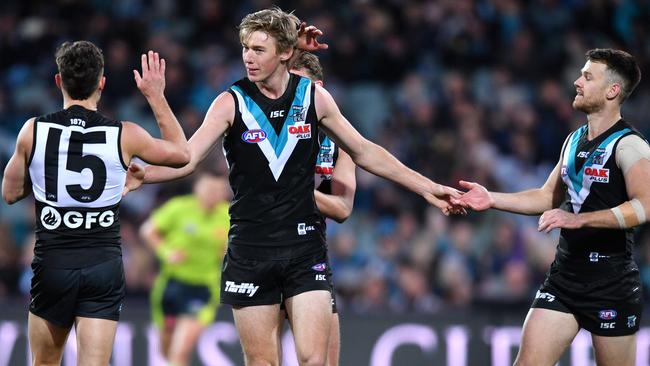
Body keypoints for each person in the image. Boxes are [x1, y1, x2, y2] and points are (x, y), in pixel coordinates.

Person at [123, 7, 462, 366]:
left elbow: (363, 151)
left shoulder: (313, 98)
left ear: (285, 54)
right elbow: (187, 157)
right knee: (262, 362)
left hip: (304, 249)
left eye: (258, 50)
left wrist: (426, 187)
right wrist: (155, 119)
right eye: (245, 48)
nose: (248, 58)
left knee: (315, 361)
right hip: (250, 249)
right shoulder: (230, 102)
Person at [1, 41, 189, 366]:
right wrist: (156, 95)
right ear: (102, 83)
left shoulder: (33, 131)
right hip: (102, 266)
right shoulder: (125, 135)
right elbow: (182, 155)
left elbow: (10, 193)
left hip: (53, 265)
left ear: (58, 81)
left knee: (43, 362)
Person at [455, 48, 647, 366]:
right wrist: (491, 199)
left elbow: (645, 206)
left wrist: (579, 220)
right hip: (564, 278)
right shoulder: (573, 139)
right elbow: (547, 197)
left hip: (611, 282)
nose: (577, 82)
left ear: (613, 90)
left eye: (587, 76)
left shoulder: (629, 144)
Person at [285, 51, 355, 366]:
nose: (297, 99)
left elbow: (342, 209)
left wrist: (294, 189)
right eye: (291, 88)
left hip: (311, 253)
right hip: (258, 249)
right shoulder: (265, 131)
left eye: (304, 88)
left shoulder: (341, 142)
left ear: (320, 88)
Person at [140, 171, 230, 366]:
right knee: (167, 348)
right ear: (197, 188)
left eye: (219, 189)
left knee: (180, 351)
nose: (214, 194)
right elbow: (148, 231)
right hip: (171, 284)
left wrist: (227, 255)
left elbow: (234, 248)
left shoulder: (227, 215)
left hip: (203, 288)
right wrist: (166, 252)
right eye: (209, 188)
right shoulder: (179, 208)